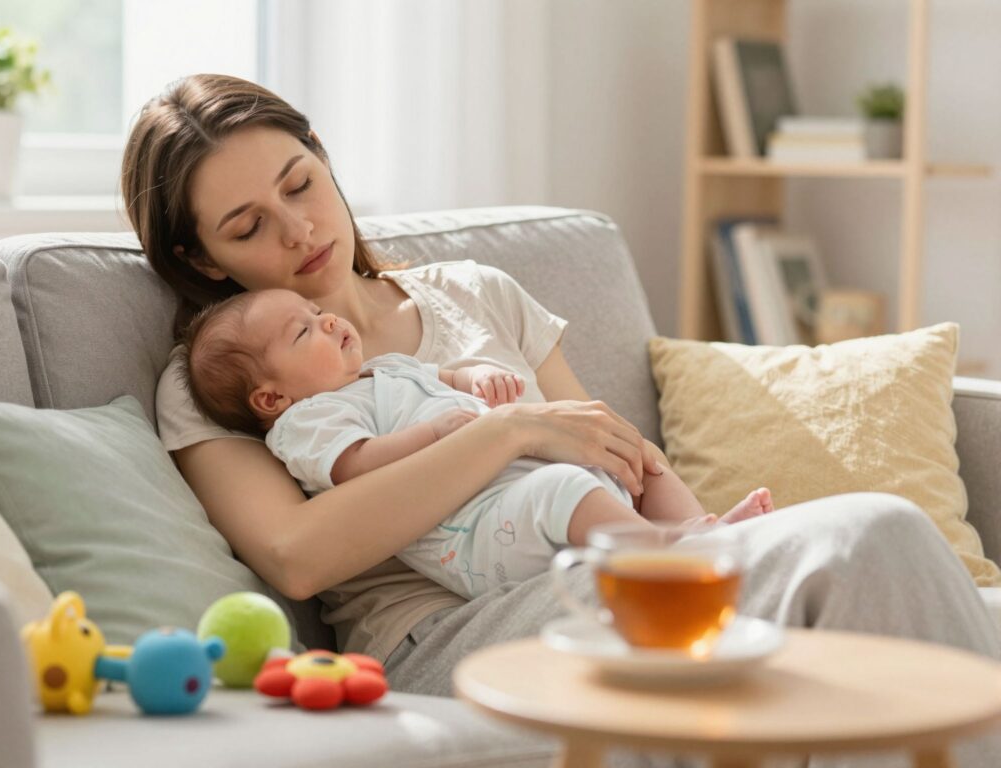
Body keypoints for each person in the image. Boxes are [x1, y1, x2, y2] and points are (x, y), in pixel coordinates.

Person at [125, 74, 999, 766]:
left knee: (866, 566)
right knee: (872, 534)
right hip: (451, 629)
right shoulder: (225, 378)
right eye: (249, 226)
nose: (298, 230)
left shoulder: (477, 292)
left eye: (300, 184)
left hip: (600, 565)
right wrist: (506, 431)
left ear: (322, 153)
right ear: (201, 256)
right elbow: (298, 555)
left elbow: (610, 446)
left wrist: (700, 541)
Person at [176, 287, 773, 600]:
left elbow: (446, 379)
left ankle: (709, 533)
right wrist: (437, 433)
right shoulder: (308, 422)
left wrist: (478, 381)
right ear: (270, 398)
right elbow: (355, 465)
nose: (328, 321)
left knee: (631, 453)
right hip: (480, 529)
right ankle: (671, 553)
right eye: (304, 330)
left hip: (522, 484)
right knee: (563, 487)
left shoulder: (382, 372)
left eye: (315, 311)